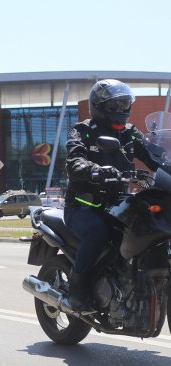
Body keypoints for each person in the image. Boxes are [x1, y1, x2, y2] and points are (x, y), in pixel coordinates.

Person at [63, 79, 159, 312]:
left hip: (118, 205)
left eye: (124, 104)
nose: (120, 111)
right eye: (114, 106)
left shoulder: (131, 134)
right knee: (98, 233)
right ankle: (77, 291)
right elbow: (74, 162)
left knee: (148, 228)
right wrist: (95, 170)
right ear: (98, 106)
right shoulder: (82, 131)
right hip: (83, 206)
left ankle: (134, 283)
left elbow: (153, 157)